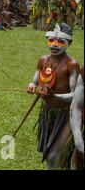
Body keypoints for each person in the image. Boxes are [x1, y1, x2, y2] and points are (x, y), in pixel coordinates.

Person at [26, 23, 81, 169]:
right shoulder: (43, 60)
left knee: (53, 155)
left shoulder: (71, 64)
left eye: (60, 41)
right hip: (49, 112)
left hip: (68, 115)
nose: (54, 45)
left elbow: (76, 96)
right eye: (51, 40)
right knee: (48, 151)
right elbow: (35, 81)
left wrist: (55, 96)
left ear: (69, 42)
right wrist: (32, 86)